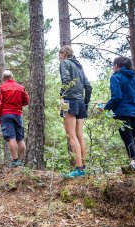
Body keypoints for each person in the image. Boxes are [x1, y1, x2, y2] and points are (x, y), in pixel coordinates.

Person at [103, 56, 135, 159]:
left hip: (122, 114)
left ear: (117, 66)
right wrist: (132, 102)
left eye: (113, 66)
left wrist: (106, 108)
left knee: (129, 141)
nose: (113, 68)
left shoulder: (115, 77)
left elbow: (117, 97)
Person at [59, 45, 92, 178]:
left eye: (60, 54)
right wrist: (85, 103)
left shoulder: (64, 63)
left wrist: (63, 96)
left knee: (71, 135)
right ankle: (84, 168)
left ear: (65, 54)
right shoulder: (79, 66)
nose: (59, 57)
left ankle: (79, 169)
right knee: (79, 135)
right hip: (80, 102)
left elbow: (66, 80)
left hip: (69, 100)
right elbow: (88, 87)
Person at [0, 70, 29, 167]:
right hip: (18, 115)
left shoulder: (1, 88)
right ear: (12, 77)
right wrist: (18, 104)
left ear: (3, 78)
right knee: (20, 138)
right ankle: (22, 162)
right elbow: (26, 101)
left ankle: (15, 161)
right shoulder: (21, 88)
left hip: (5, 115)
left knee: (11, 138)